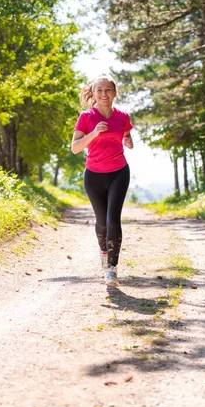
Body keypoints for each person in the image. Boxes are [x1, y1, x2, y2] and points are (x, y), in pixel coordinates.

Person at [71, 75, 133, 287]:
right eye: (100, 91)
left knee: (113, 220)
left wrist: (128, 140)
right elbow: (75, 147)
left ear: (115, 93)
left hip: (119, 172)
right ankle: (104, 252)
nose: (104, 94)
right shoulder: (86, 117)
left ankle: (111, 270)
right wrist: (94, 134)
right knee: (101, 223)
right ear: (94, 93)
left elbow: (125, 135)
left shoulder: (123, 116)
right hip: (94, 175)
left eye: (108, 90)